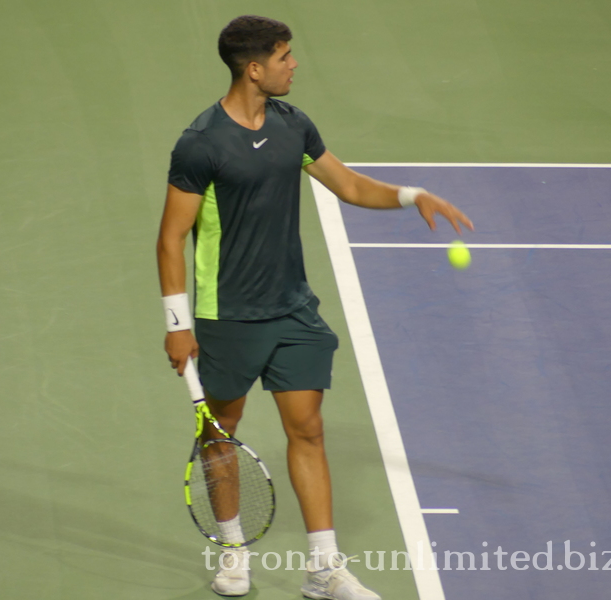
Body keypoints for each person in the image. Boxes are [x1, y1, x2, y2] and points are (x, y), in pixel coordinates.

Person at [157, 15, 473, 600]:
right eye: (284, 57)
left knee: (308, 430)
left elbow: (349, 185)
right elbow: (170, 236)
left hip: (293, 312)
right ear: (254, 68)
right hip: (228, 316)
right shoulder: (200, 144)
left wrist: (412, 195)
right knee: (221, 432)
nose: (294, 64)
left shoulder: (293, 126)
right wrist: (178, 326)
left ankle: (324, 569)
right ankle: (232, 549)